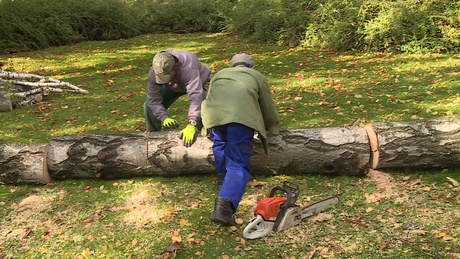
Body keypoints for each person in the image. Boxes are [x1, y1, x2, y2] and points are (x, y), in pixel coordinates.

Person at [201, 53, 279, 226]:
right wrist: (273, 125)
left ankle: (223, 180)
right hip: (240, 119)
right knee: (238, 163)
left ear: (232, 65)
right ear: (251, 66)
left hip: (214, 117)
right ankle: (225, 205)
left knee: (220, 144)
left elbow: (209, 97)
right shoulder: (257, 75)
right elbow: (267, 106)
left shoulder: (220, 74)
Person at [144, 49, 212, 147]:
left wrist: (192, 123)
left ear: (174, 67)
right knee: (148, 107)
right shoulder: (154, 71)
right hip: (173, 86)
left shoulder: (188, 66)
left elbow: (196, 97)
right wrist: (164, 117)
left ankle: (206, 141)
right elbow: (153, 100)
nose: (162, 79)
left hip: (201, 82)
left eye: (166, 76)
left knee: (204, 109)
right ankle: (152, 140)